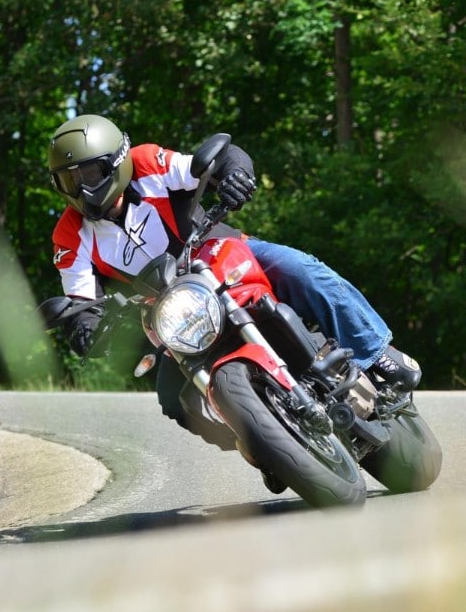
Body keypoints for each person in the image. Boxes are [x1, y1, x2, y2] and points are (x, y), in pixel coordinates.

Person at [46, 114, 421, 440]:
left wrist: (235, 175)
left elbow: (218, 159)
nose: (82, 188)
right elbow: (81, 301)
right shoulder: (69, 234)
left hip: (220, 254)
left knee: (300, 270)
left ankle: (379, 354)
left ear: (117, 162)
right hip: (169, 309)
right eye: (69, 181)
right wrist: (85, 328)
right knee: (174, 400)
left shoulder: (147, 164)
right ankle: (258, 441)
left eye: (89, 174)